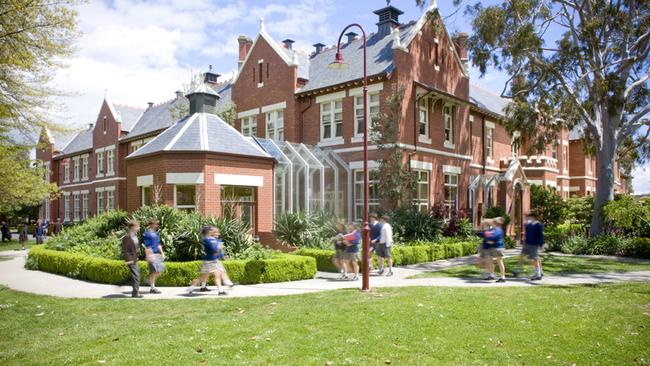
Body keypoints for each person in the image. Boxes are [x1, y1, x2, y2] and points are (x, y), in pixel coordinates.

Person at [187, 226, 229, 295]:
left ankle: (191, 288)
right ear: (209, 232)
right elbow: (213, 250)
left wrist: (219, 251)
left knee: (203, 277)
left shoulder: (208, 239)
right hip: (211, 261)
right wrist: (218, 248)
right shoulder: (208, 240)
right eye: (212, 230)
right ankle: (221, 291)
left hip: (208, 261)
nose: (214, 231)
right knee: (217, 275)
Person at [515, 212, 545, 280]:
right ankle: (518, 269)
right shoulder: (528, 225)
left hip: (534, 244)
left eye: (528, 217)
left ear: (533, 217)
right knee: (522, 255)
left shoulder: (538, 225)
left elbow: (541, 235)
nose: (526, 218)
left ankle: (538, 273)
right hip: (527, 243)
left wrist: (541, 244)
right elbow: (526, 234)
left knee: (535, 258)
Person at [122, 220, 142, 298]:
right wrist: (129, 260)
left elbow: (135, 248)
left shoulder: (135, 236)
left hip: (134, 259)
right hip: (130, 260)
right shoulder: (127, 238)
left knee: (136, 275)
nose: (139, 228)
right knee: (136, 276)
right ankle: (135, 293)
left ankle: (125, 283)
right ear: (133, 227)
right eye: (138, 226)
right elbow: (125, 250)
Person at [144, 219, 165, 294]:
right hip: (151, 254)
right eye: (156, 224)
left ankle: (148, 280)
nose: (157, 225)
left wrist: (162, 253)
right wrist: (149, 256)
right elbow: (147, 246)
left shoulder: (156, 233)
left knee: (159, 271)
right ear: (151, 225)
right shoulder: (147, 234)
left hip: (157, 254)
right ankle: (152, 288)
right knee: (154, 271)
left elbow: (158, 244)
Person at [482, 217, 507, 283]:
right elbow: (486, 236)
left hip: (498, 248)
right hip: (492, 247)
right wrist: (488, 236)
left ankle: (502, 277)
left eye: (493, 222)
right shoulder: (493, 229)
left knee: (499, 261)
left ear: (495, 223)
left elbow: (492, 237)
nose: (491, 223)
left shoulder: (498, 230)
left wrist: (489, 238)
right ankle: (491, 275)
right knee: (489, 260)